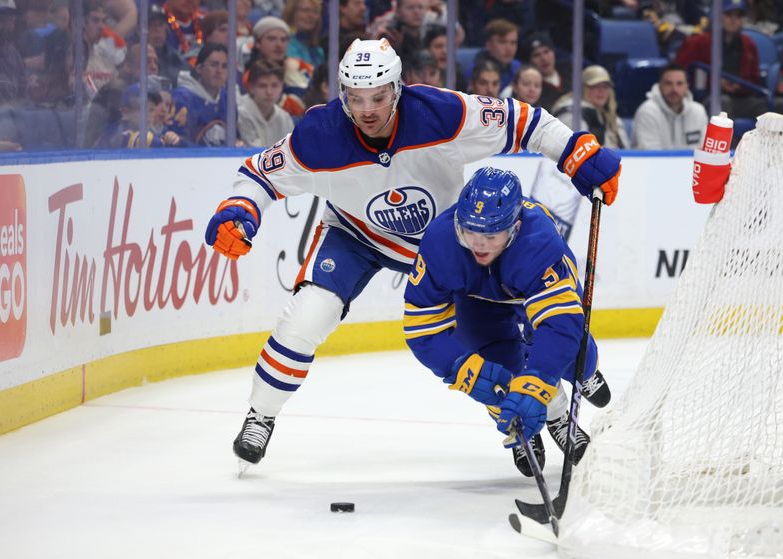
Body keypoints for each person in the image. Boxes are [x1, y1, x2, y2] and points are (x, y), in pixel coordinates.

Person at [203, 38, 621, 468]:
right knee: (308, 315)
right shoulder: (319, 135)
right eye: (356, 98)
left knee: (503, 332)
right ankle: (261, 414)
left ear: (398, 88)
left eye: (378, 97)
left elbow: (525, 121)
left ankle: (556, 408)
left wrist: (574, 150)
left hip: (448, 242)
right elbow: (258, 173)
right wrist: (241, 208)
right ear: (343, 95)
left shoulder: (442, 113)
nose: (367, 110)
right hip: (356, 236)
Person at [402, 167, 611, 475]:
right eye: (469, 231)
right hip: (479, 301)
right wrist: (462, 369)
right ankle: (538, 423)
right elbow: (422, 327)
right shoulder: (440, 241)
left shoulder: (539, 243)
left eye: (490, 235)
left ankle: (587, 375)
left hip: (533, 287)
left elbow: (559, 327)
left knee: (578, 357)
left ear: (514, 228)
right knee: (497, 373)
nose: (478, 244)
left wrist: (538, 383)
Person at [674, 0, 770, 119]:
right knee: (723, 104)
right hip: (707, 99)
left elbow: (754, 81)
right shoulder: (697, 42)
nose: (734, 20)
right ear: (716, 15)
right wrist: (715, 83)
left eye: (738, 15)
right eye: (729, 14)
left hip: (740, 99)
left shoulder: (749, 44)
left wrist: (739, 86)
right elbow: (678, 73)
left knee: (773, 107)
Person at [632, 63, 709, 150]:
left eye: (679, 84)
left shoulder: (698, 111)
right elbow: (651, 156)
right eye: (668, 83)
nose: (674, 89)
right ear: (660, 85)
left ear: (687, 86)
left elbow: (704, 151)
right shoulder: (647, 112)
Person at [553, 65, 629, 149]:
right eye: (595, 86)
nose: (601, 91)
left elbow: (628, 152)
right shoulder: (571, 113)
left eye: (605, 86)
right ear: (582, 89)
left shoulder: (612, 118)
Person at [170, 42, 229, 146]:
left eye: (224, 66)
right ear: (199, 69)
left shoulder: (227, 98)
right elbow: (176, 141)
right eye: (214, 65)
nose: (219, 71)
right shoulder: (182, 98)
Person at [237, 58, 294, 147]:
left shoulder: (285, 118)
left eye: (274, 86)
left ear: (282, 87)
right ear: (251, 87)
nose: (269, 92)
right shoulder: (240, 112)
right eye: (262, 86)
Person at [520, 31, 571, 113]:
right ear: (529, 62)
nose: (543, 58)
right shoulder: (534, 90)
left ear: (554, 52)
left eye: (546, 52)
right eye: (536, 55)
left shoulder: (569, 70)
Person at [471, 18, 520, 95]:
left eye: (513, 43)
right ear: (488, 44)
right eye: (502, 42)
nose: (509, 48)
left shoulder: (518, 68)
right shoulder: (474, 71)